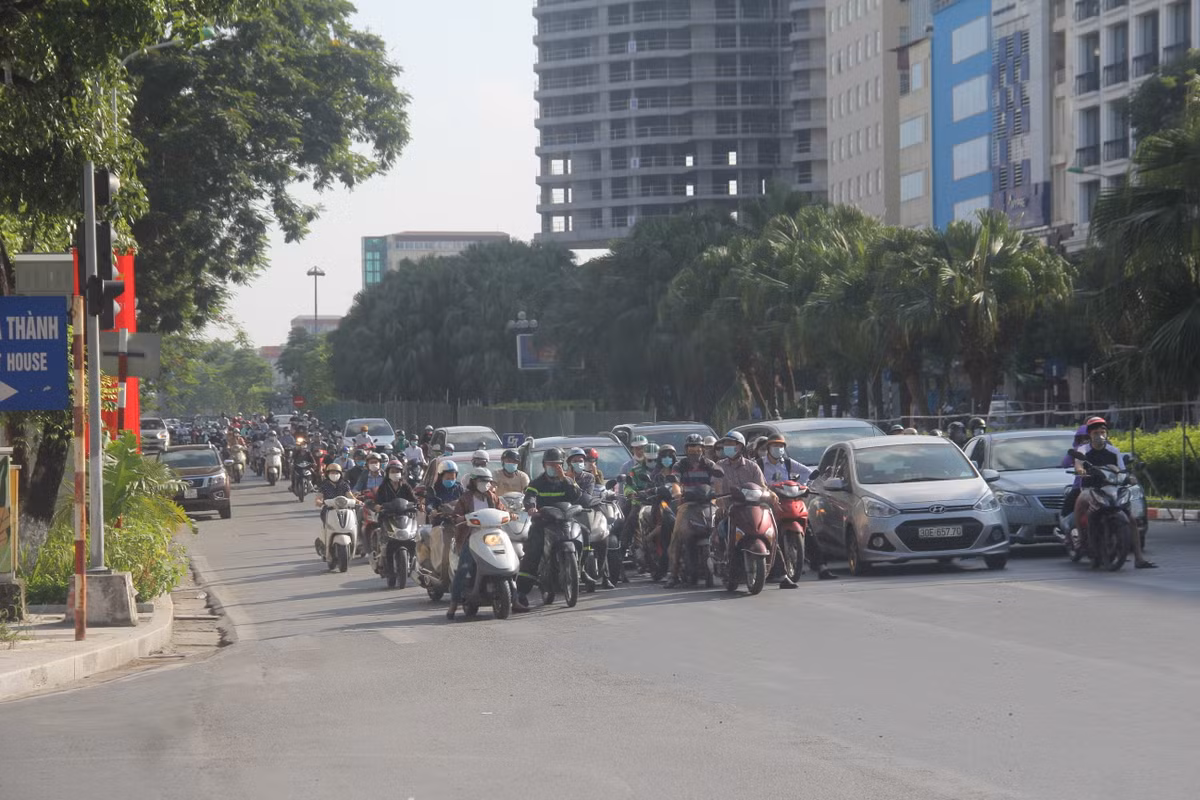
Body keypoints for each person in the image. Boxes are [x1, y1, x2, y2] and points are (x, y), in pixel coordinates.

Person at [1071, 417, 1156, 569]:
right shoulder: (1083, 450)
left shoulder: (1113, 451)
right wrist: (1081, 471)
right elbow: (1078, 465)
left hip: (1111, 489)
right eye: (1096, 432)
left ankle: (1139, 558)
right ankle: (1082, 541)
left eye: (1102, 432)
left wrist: (1129, 477)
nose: (1100, 435)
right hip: (1091, 489)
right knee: (1079, 504)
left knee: (1131, 519)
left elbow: (1122, 470)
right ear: (1090, 434)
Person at [514, 448, 583, 611]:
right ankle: (521, 594)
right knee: (533, 552)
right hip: (543, 522)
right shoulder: (537, 483)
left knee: (585, 533)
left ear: (562, 465)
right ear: (544, 465)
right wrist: (531, 507)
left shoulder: (567, 481)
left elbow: (576, 496)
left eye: (557, 465)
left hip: (565, 521)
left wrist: (564, 478)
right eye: (549, 464)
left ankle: (586, 571)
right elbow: (529, 497)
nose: (553, 467)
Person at [446, 467, 505, 620]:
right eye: (482, 481)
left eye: (487, 481)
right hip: (472, 537)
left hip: (492, 538)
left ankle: (515, 599)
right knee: (464, 568)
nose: (485, 484)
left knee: (511, 560)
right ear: (474, 482)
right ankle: (453, 603)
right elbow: (456, 516)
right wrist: (459, 518)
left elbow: (503, 510)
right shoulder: (465, 498)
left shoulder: (492, 497)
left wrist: (511, 515)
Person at [664, 434, 722, 588]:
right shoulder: (679, 465)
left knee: (722, 528)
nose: (694, 451)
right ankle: (673, 574)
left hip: (708, 503)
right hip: (687, 504)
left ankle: (728, 566)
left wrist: (717, 496)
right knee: (677, 536)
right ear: (686, 449)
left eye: (697, 447)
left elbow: (716, 483)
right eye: (691, 447)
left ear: (702, 449)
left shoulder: (709, 464)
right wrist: (677, 493)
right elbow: (675, 481)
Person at [314, 461, 355, 525]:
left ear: (340, 474)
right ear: (328, 474)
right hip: (329, 510)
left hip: (344, 509)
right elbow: (318, 498)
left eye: (336, 473)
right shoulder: (324, 485)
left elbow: (351, 496)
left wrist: (358, 502)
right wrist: (319, 502)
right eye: (332, 473)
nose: (334, 475)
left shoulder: (344, 485)